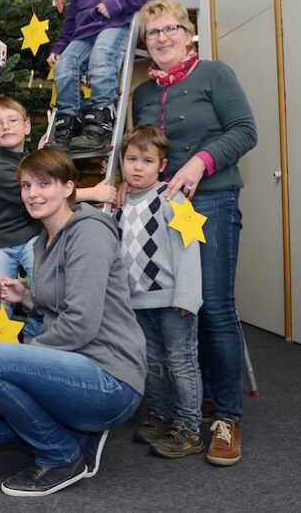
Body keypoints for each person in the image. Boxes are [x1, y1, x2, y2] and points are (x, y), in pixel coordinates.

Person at [0, 147, 146, 497]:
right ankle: (73, 434)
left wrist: (23, 355)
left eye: (43, 184)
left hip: (110, 376)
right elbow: (60, 302)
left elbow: (81, 322)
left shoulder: (89, 233)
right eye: (26, 185)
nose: (32, 193)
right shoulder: (42, 241)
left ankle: (60, 455)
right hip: (74, 368)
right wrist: (27, 298)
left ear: (68, 187)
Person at [131, 0, 257, 466]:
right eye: (153, 32)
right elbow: (140, 151)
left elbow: (245, 130)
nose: (162, 37)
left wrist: (200, 163)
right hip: (159, 212)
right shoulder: (143, 93)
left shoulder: (215, 75)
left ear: (188, 34)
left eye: (170, 29)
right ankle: (191, 400)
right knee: (176, 308)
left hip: (211, 202)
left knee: (215, 307)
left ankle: (226, 416)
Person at [0, 95, 117, 342]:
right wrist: (93, 192)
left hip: (33, 238)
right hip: (1, 243)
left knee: (42, 290)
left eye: (12, 120)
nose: (6, 126)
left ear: (27, 127)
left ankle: (37, 343)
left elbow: (49, 186)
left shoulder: (33, 160)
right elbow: (37, 196)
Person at [115, 125, 203, 458]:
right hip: (137, 303)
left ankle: (189, 427)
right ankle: (161, 414)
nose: (138, 167)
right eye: (132, 159)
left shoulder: (172, 197)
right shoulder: (120, 204)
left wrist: (188, 296)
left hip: (172, 300)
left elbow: (188, 247)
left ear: (162, 165)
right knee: (151, 361)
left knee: (181, 363)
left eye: (147, 160)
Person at [47, 0, 158, 152]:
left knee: (101, 59)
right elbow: (72, 18)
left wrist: (117, 4)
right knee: (65, 65)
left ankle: (101, 118)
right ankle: (68, 120)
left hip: (115, 25)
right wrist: (60, 46)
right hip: (84, 33)